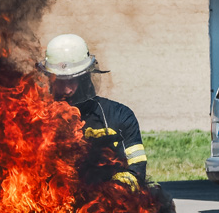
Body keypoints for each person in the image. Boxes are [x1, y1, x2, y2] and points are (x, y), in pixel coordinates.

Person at [38, 33, 146, 191]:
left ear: (85, 77)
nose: (67, 90)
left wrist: (115, 189)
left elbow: (137, 169)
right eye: (60, 80)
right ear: (49, 78)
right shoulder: (35, 120)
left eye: (72, 79)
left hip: (107, 208)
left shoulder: (119, 117)